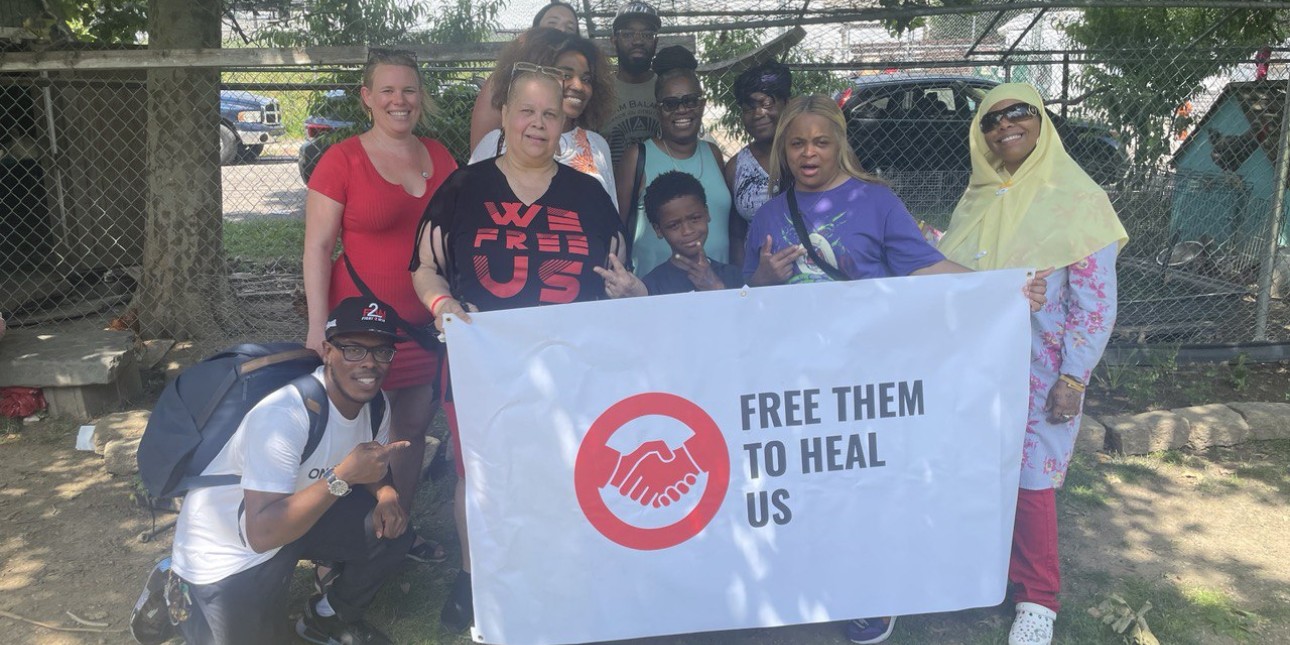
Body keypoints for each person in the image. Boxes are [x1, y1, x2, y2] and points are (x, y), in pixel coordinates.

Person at [743, 95, 1048, 645]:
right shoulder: (767, 215)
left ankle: (872, 593)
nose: (809, 153)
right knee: (811, 485)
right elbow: (744, 305)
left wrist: (1004, 290)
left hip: (867, 373)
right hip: (797, 379)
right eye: (797, 143)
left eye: (821, 141)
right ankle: (811, 583)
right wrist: (762, 279)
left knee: (865, 484)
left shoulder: (875, 201)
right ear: (783, 152)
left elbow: (926, 267)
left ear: (839, 145)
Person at [410, 64, 627, 632]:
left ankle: (556, 574)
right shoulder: (463, 187)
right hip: (482, 367)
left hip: (566, 370)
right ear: (504, 116)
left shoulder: (589, 196)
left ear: (564, 122)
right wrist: (442, 306)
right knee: (478, 477)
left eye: (550, 114)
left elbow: (617, 279)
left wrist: (629, 289)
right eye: (526, 111)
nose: (537, 123)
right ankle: (472, 575)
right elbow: (425, 268)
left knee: (561, 471)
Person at [937, 83, 1127, 645]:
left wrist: (1073, 378)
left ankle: (1038, 598)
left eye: (1018, 113)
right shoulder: (979, 197)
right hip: (975, 365)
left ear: (1041, 120)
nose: (1004, 127)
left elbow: (1097, 303)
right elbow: (950, 276)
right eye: (991, 120)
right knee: (979, 473)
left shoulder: (1078, 199)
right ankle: (988, 573)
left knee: (1031, 481)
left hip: (1042, 370)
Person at [169, 297, 415, 645]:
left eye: (382, 352)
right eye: (354, 350)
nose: (370, 364)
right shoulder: (285, 414)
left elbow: (373, 466)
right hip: (230, 546)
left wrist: (387, 495)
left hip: (293, 516)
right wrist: (342, 475)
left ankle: (327, 617)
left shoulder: (375, 404)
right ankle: (176, 585)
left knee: (393, 531)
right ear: (327, 350)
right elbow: (262, 534)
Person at [303, 49, 453, 565]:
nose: (399, 100)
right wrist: (316, 327)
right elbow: (318, 248)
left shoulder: (442, 156)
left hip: (421, 331)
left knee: (409, 435)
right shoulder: (341, 160)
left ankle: (397, 534)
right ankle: (339, 546)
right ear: (367, 97)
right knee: (347, 439)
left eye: (409, 90)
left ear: (421, 96)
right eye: (387, 90)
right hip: (360, 336)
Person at [470, 29, 618, 209]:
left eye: (586, 79)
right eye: (565, 75)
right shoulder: (496, 142)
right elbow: (469, 208)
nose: (578, 86)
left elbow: (610, 219)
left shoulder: (597, 146)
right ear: (536, 77)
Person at [616, 45, 731, 276]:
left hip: (716, 289)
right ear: (658, 109)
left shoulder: (713, 153)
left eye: (690, 101)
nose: (681, 110)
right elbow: (616, 227)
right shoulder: (637, 156)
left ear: (702, 104)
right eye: (670, 104)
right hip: (656, 294)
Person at [468, 3, 581, 150]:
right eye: (552, 23)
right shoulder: (502, 79)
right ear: (534, 32)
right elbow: (479, 150)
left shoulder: (580, 85)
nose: (561, 30)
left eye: (570, 28)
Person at [724, 59, 791, 267]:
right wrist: (744, 283)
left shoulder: (806, 156)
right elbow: (736, 235)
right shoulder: (736, 167)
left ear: (786, 103)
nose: (758, 114)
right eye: (748, 107)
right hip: (758, 278)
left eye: (766, 103)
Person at [638, 170, 743, 294]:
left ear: (707, 213)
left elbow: (745, 312)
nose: (687, 231)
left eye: (695, 218)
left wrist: (716, 287)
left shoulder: (733, 276)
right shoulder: (652, 285)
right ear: (658, 230)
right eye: (674, 225)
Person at [604, 0, 663, 166]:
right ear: (613, 40)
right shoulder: (599, 90)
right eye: (628, 34)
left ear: (656, 42)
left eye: (646, 34)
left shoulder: (667, 88)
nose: (638, 41)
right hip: (611, 188)